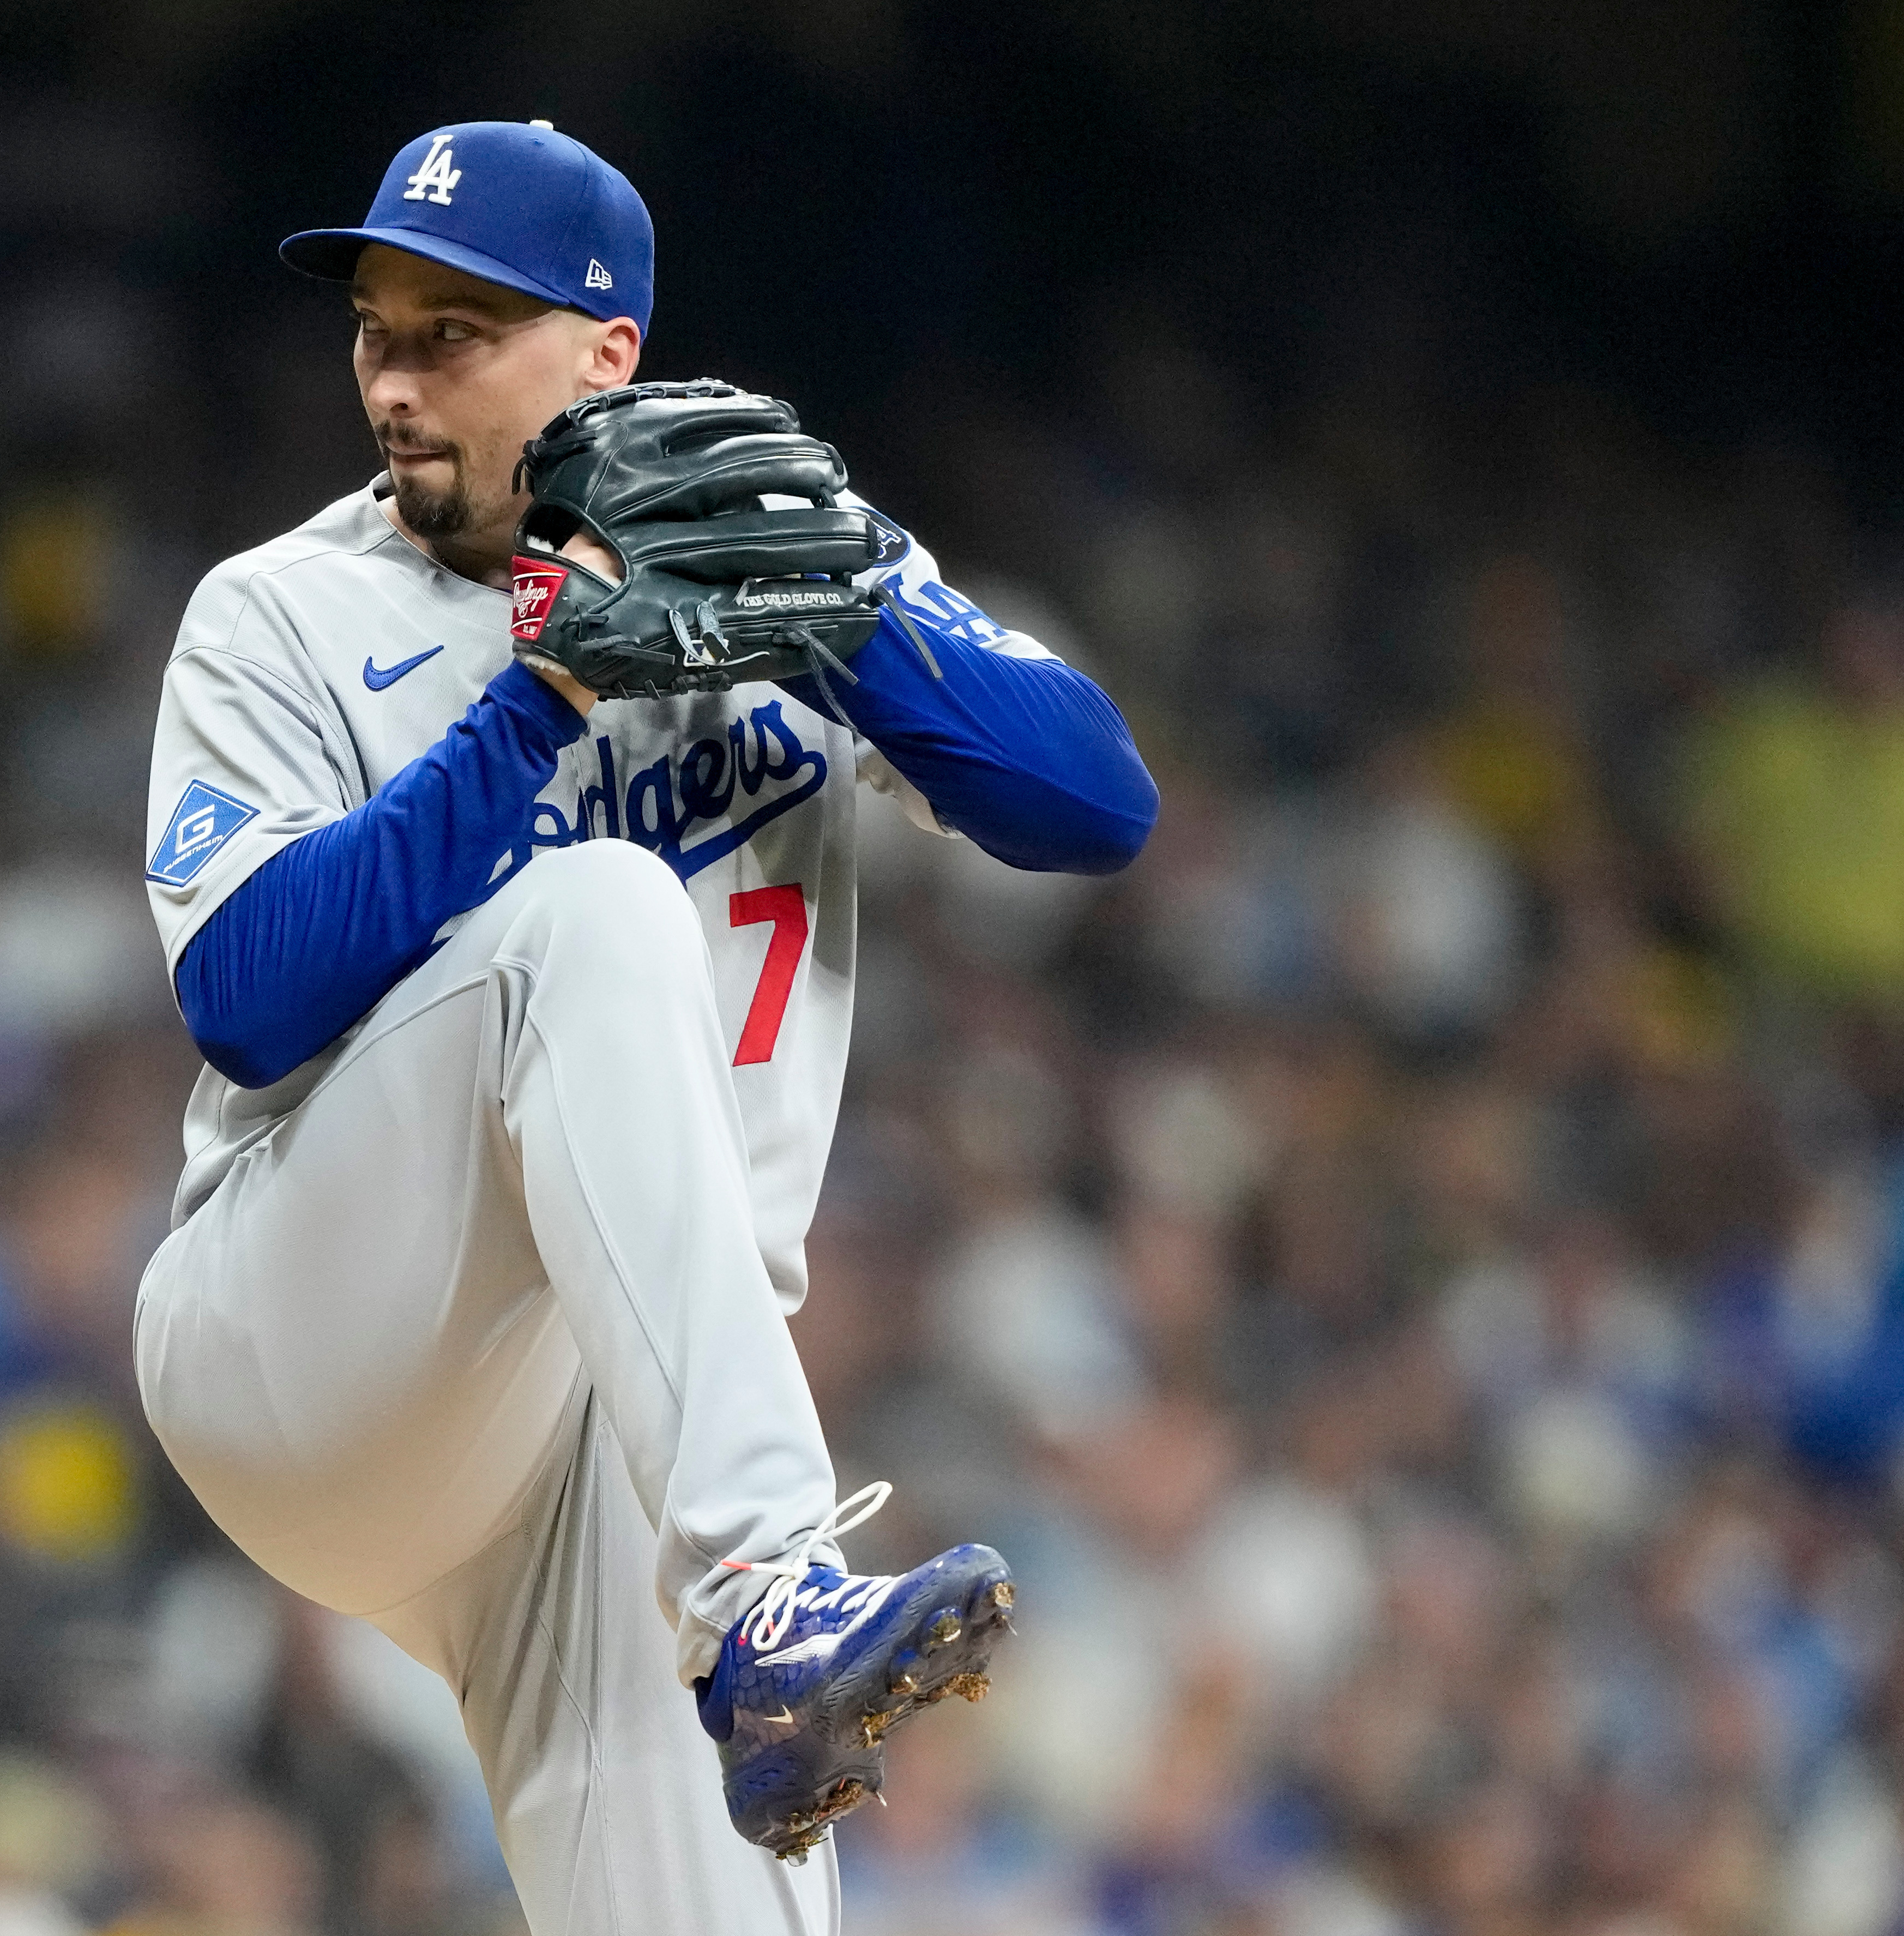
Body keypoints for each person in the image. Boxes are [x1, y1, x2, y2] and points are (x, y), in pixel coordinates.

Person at [135, 120, 1158, 1929]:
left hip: (621, 1436)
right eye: (378, 331)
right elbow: (248, 997)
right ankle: (770, 1596)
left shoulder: (777, 548)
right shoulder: (279, 611)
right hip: (324, 1339)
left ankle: (760, 1621)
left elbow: (1095, 807)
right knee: (596, 913)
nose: (394, 380)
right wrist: (545, 695)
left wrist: (849, 615)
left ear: (607, 354)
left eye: (456, 334)